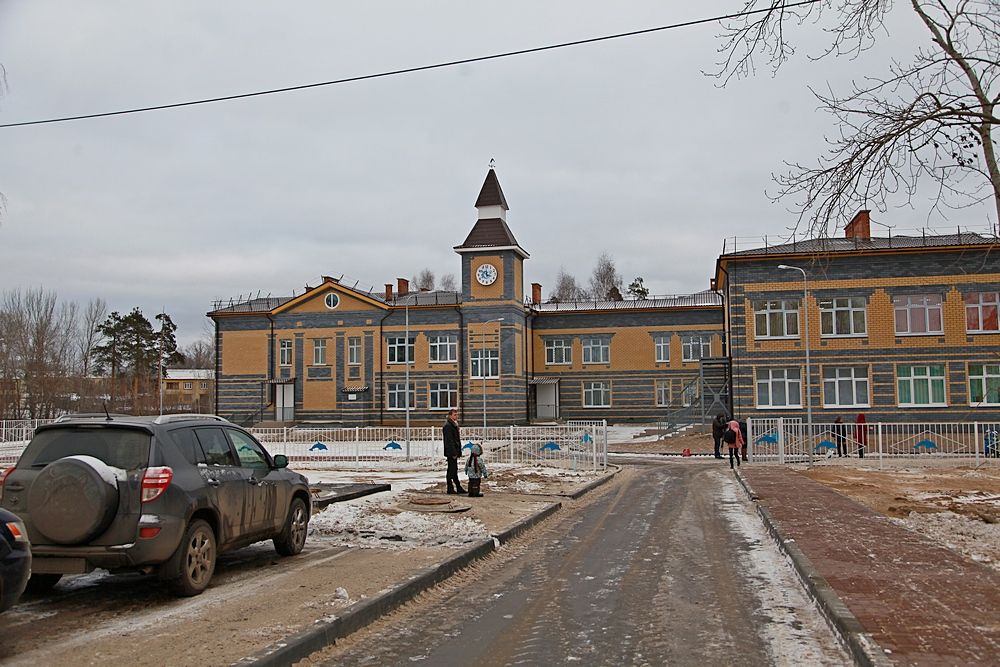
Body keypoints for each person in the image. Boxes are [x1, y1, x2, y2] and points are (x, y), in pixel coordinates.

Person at [443, 409, 465, 494]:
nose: (457, 416)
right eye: (455, 415)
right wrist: (453, 452)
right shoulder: (448, 426)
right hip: (451, 452)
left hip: (453, 451)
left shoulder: (453, 424)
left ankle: (457, 487)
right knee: (451, 470)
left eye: (457, 414)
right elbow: (449, 441)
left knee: (454, 470)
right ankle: (450, 488)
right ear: (450, 415)